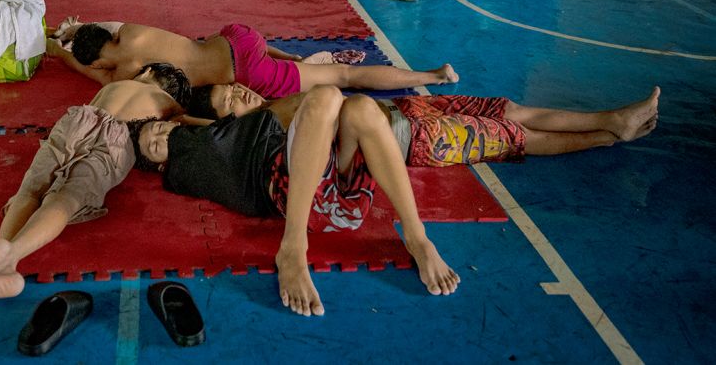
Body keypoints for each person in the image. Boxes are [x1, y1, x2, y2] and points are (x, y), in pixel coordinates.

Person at [130, 87, 461, 315]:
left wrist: (185, 121)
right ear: (160, 164)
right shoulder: (179, 169)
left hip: (338, 198)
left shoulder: (210, 134)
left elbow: (193, 129)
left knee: (360, 106)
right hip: (289, 191)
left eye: (159, 128)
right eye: (155, 144)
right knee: (326, 97)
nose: (162, 136)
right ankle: (292, 245)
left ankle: (418, 238)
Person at [0, 63, 194, 325]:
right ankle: (8, 260)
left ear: (146, 73)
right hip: (118, 142)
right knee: (67, 200)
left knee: (30, 189)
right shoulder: (169, 105)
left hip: (82, 119)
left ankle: (2, 260)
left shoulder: (113, 87)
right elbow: (196, 125)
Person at [187, 82, 661, 167]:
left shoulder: (275, 101)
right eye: (230, 101)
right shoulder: (268, 129)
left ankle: (613, 118)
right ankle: (606, 136)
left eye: (232, 87)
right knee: (513, 139)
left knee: (508, 110)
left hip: (408, 111)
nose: (239, 92)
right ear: (227, 124)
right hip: (411, 138)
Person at [49, 20, 457, 99]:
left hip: (245, 73)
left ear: (99, 62)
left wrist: (54, 49)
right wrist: (70, 30)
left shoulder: (116, 76)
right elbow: (103, 25)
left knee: (345, 78)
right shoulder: (131, 31)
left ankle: (433, 77)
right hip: (236, 39)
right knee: (340, 71)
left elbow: (81, 65)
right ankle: (434, 73)